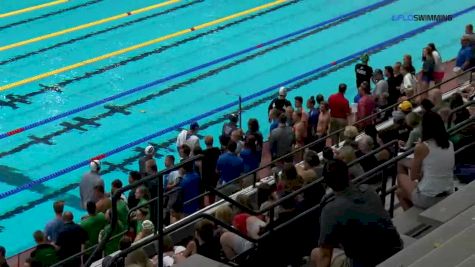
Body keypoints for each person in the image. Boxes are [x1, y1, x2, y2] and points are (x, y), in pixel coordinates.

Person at [311, 160, 403, 267]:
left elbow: (325, 256)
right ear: (348, 175)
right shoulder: (369, 191)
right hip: (394, 248)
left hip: (367, 262)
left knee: (316, 254)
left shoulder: (330, 210)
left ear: (327, 183)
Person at [397, 112, 455, 210]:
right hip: (448, 191)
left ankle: (417, 213)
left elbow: (413, 176)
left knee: (400, 177)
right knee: (399, 193)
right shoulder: (450, 143)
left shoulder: (422, 147)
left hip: (430, 197)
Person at [201, 136, 221, 205]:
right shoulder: (217, 150)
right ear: (213, 142)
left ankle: (212, 204)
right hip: (216, 174)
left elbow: (202, 168)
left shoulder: (203, 153)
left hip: (208, 176)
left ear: (205, 143)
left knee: (211, 194)